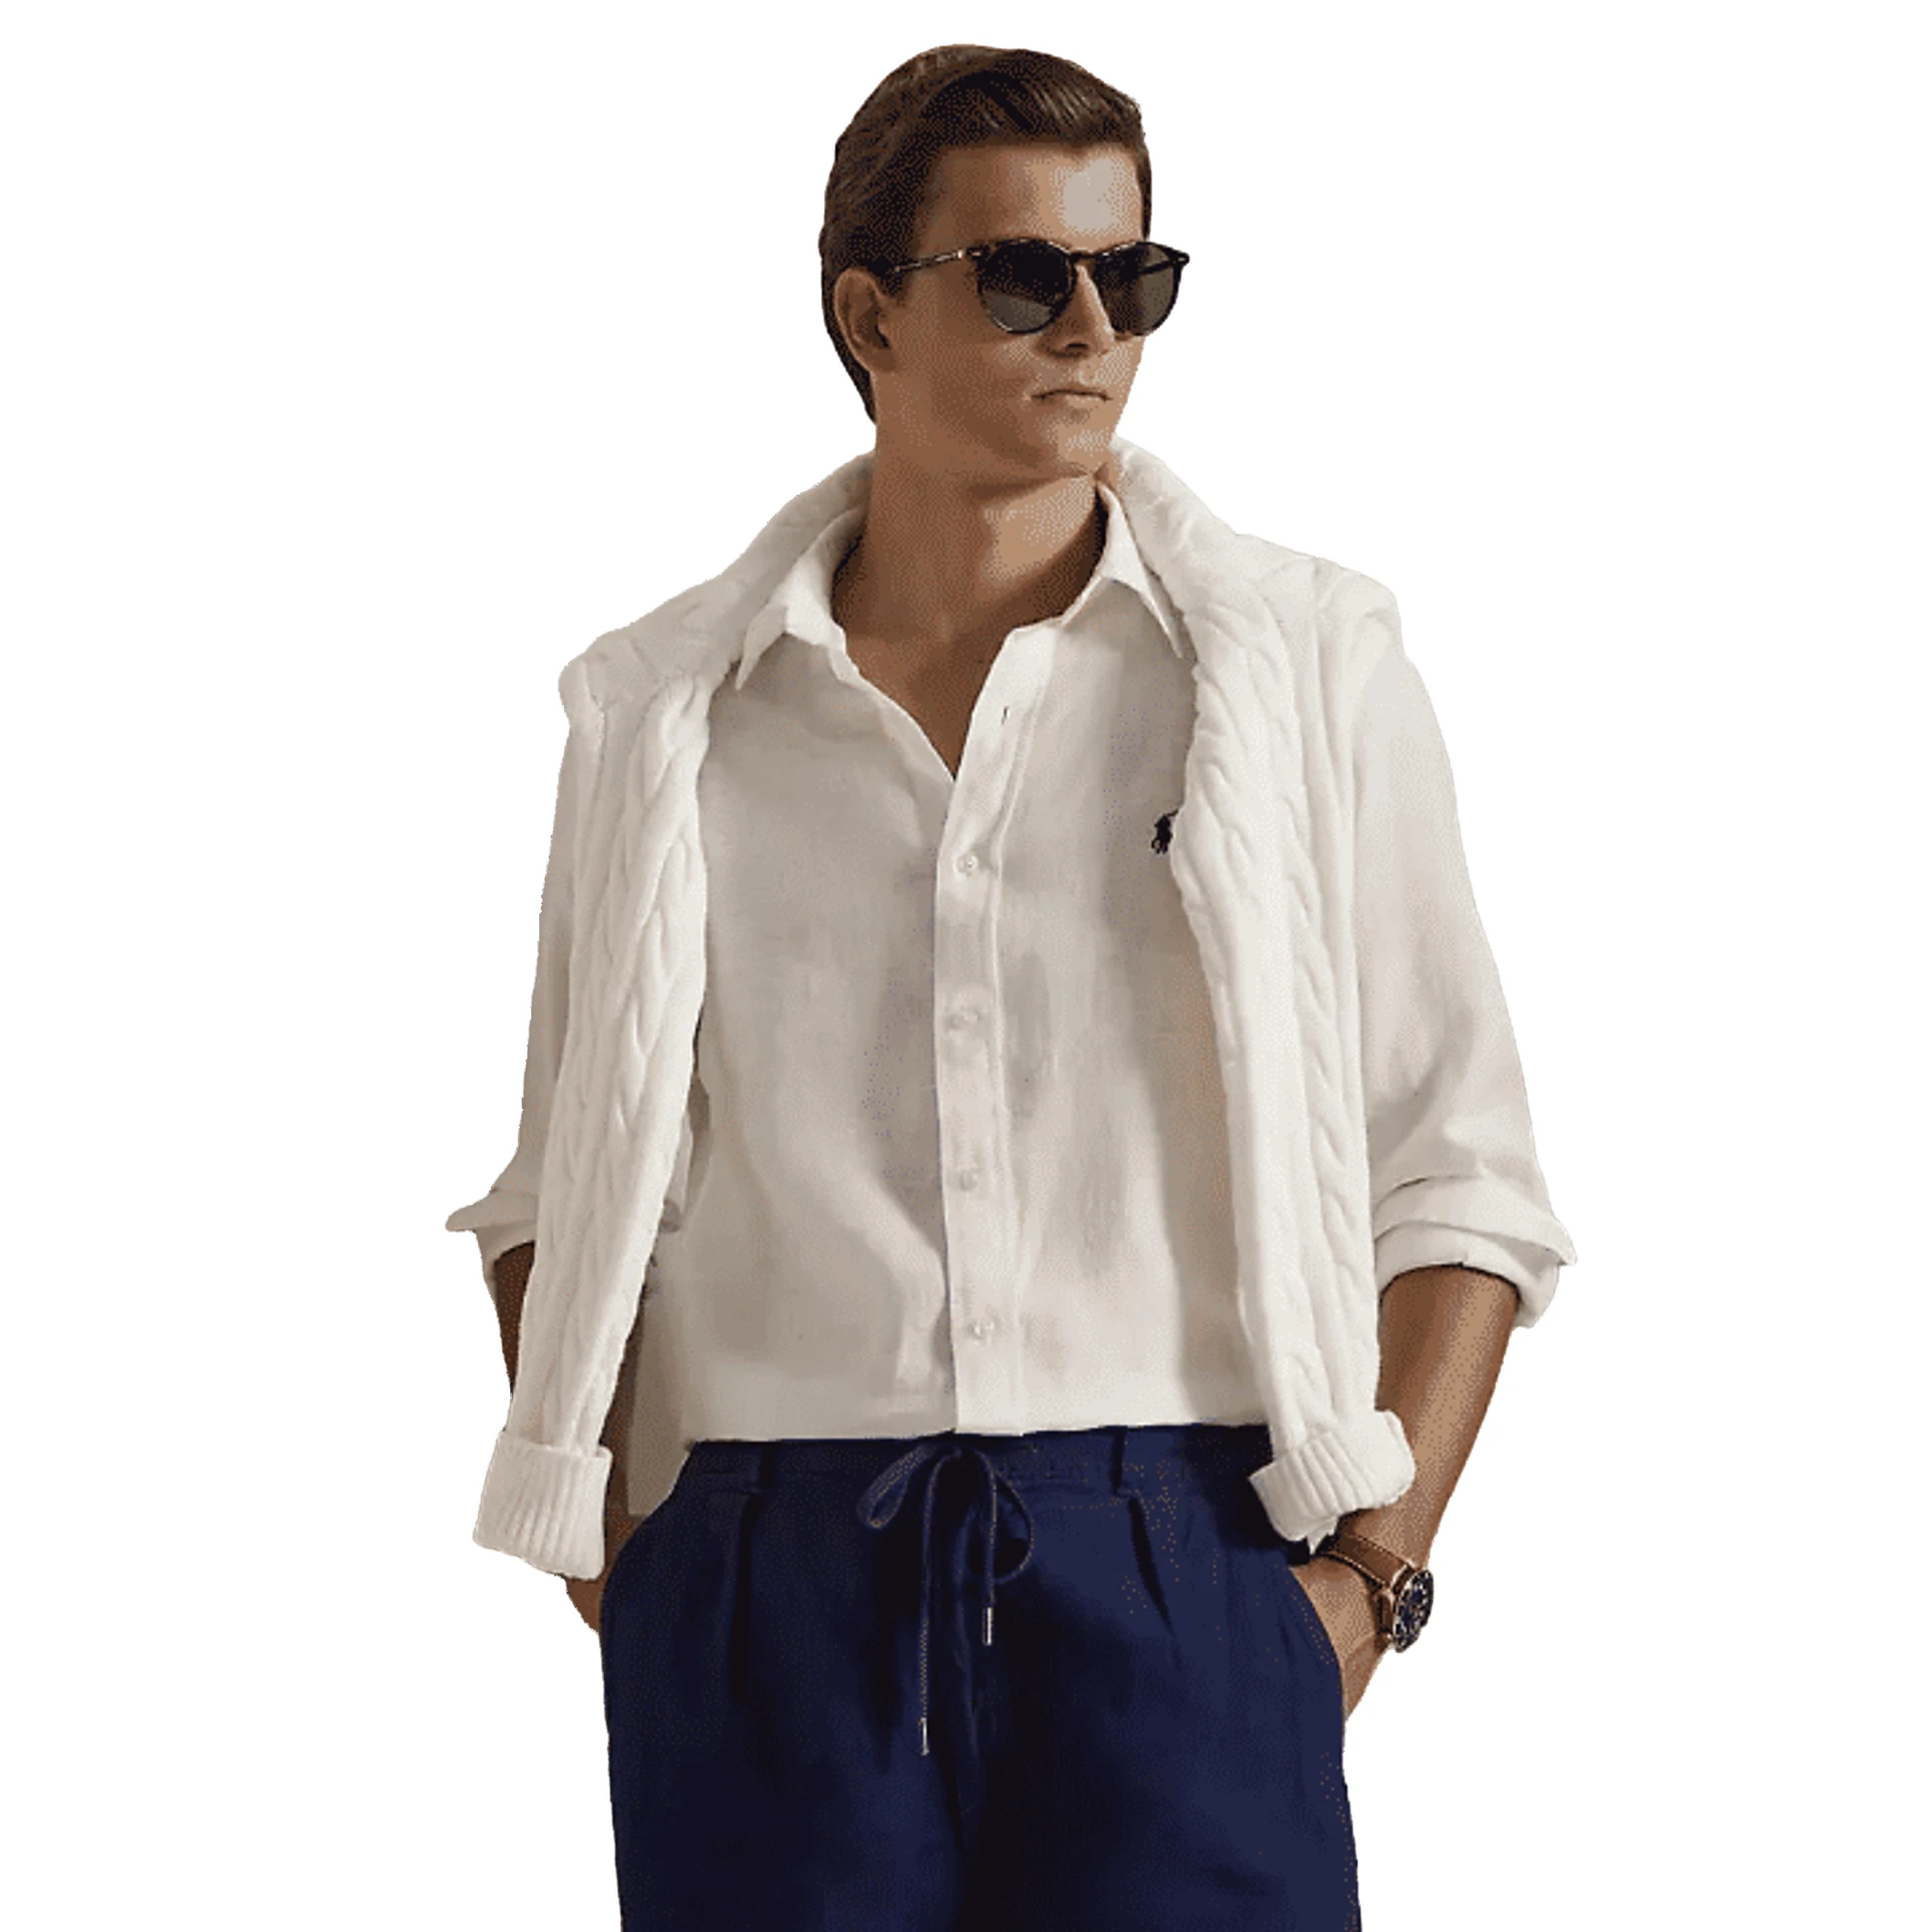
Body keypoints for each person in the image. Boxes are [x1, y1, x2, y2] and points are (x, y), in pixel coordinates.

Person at [445, 43, 1577, 1931]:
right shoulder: (663, 715)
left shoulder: (1306, 670)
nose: (1091, 327)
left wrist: (1363, 1582)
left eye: (1132, 275)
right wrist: (639, 1566)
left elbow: (1459, 1177)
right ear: (867, 314)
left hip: (1191, 1552)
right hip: (767, 1569)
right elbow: (561, 1195)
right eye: (1023, 273)